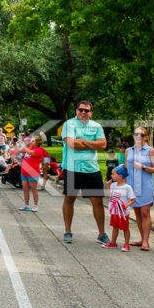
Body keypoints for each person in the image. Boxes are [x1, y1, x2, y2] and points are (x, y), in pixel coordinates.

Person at [61, 100, 108, 244]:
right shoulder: (69, 124)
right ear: (76, 111)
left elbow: (103, 145)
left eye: (86, 110)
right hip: (72, 168)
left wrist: (82, 141)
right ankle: (68, 231)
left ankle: (101, 233)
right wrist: (92, 144)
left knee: (97, 202)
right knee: (70, 199)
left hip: (91, 168)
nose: (83, 112)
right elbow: (71, 144)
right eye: (80, 110)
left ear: (90, 113)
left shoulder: (96, 126)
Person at [125, 126, 154, 251]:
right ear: (133, 136)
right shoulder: (129, 151)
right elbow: (126, 167)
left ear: (145, 137)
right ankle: (141, 238)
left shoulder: (151, 151)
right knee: (137, 214)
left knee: (145, 212)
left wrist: (142, 167)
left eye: (142, 134)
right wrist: (115, 178)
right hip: (132, 185)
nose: (139, 136)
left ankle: (145, 241)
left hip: (145, 185)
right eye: (136, 134)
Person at [103, 166, 136, 251]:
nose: (111, 175)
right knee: (115, 227)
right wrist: (108, 186)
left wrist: (125, 205)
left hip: (123, 213)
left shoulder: (127, 187)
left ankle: (126, 244)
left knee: (125, 228)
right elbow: (110, 195)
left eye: (113, 174)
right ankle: (113, 242)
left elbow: (133, 199)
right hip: (114, 211)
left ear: (120, 176)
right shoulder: (113, 185)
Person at [17, 135, 48, 212]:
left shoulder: (39, 150)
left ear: (37, 143)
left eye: (33, 141)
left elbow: (29, 152)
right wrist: (15, 144)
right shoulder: (30, 148)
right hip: (24, 172)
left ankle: (35, 205)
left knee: (34, 189)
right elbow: (20, 150)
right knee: (25, 189)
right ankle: (26, 205)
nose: (31, 142)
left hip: (32, 173)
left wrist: (21, 144)